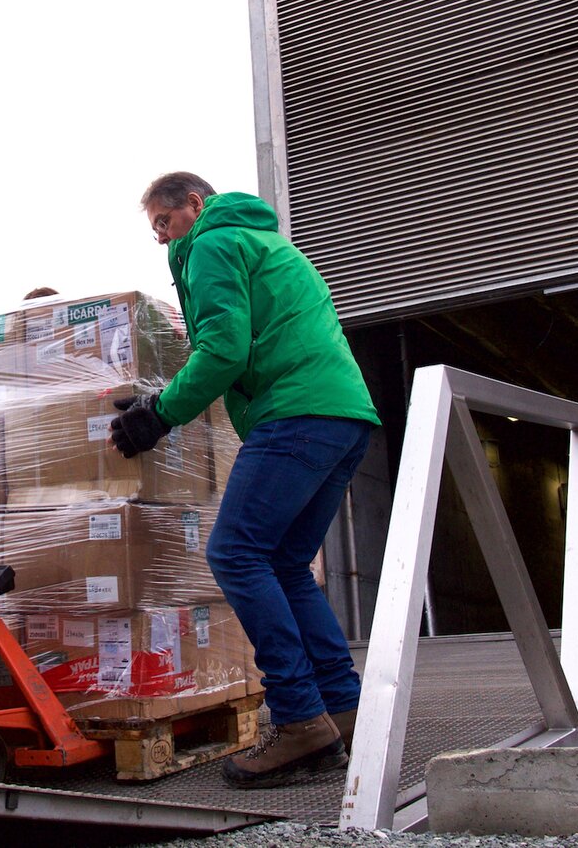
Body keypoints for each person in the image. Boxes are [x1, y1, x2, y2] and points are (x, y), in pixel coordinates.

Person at [110, 171, 380, 789]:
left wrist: (157, 415)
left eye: (163, 222)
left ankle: (300, 722)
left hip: (297, 415)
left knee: (234, 552)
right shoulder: (266, 243)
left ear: (194, 206)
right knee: (284, 563)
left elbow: (224, 349)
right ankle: (340, 706)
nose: (160, 239)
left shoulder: (210, 243)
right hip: (344, 417)